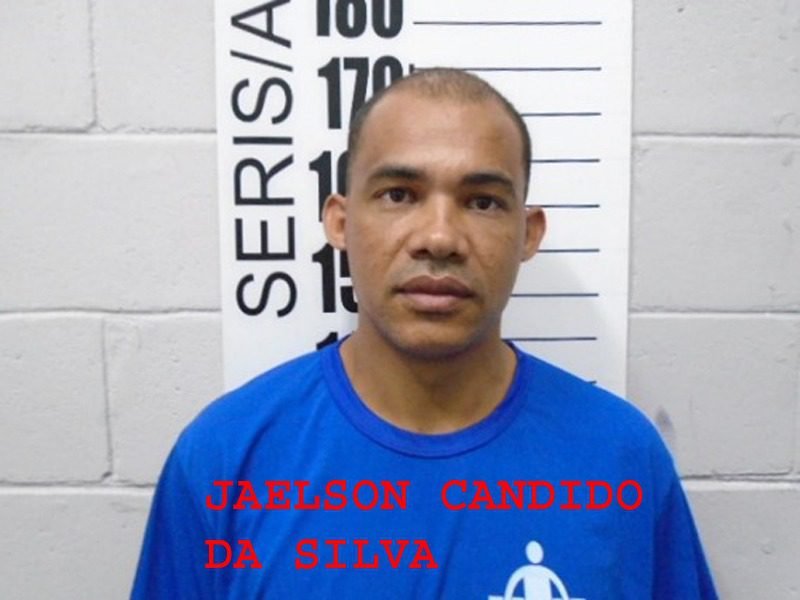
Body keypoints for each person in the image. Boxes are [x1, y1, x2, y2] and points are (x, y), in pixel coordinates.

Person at [131, 68, 718, 599]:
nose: (439, 238)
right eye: (399, 195)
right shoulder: (224, 459)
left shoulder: (621, 457)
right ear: (340, 222)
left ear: (529, 234)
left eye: (482, 202)